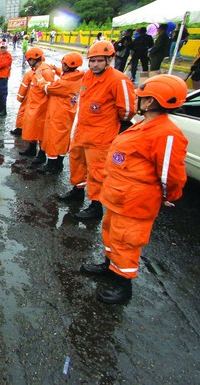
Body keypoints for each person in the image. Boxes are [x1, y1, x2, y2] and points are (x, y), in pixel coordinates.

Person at [80, 75, 188, 304]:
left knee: (126, 241)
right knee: (112, 234)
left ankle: (123, 284)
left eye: (140, 97)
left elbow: (171, 173)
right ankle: (111, 266)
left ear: (150, 102)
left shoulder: (166, 133)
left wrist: (170, 196)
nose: (135, 100)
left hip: (134, 201)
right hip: (119, 196)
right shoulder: (145, 125)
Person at [59, 41, 135, 219]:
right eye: (92, 61)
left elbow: (127, 111)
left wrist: (113, 126)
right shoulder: (88, 77)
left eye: (99, 61)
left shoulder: (118, 80)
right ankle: (77, 191)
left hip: (102, 135)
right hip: (82, 131)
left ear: (109, 60)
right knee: (76, 162)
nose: (95, 64)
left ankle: (96, 206)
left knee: (97, 171)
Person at [36, 52, 84, 175]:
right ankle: (59, 163)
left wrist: (39, 77)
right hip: (69, 113)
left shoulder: (64, 84)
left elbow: (47, 88)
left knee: (54, 138)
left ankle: (51, 165)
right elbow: (64, 75)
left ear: (67, 66)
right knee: (64, 138)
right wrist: (55, 69)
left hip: (58, 114)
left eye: (63, 64)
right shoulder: (77, 77)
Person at [19, 47, 56, 165]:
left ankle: (41, 154)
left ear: (33, 59)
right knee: (32, 129)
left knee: (41, 132)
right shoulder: (38, 70)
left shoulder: (45, 71)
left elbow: (50, 90)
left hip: (41, 108)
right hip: (34, 106)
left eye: (29, 60)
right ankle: (31, 149)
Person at [0, 41, 12, 116]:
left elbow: (2, 65)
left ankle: (3, 110)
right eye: (1, 48)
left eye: (4, 48)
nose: (3, 49)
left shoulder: (8, 56)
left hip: (3, 77)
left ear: (6, 48)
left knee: (2, 94)